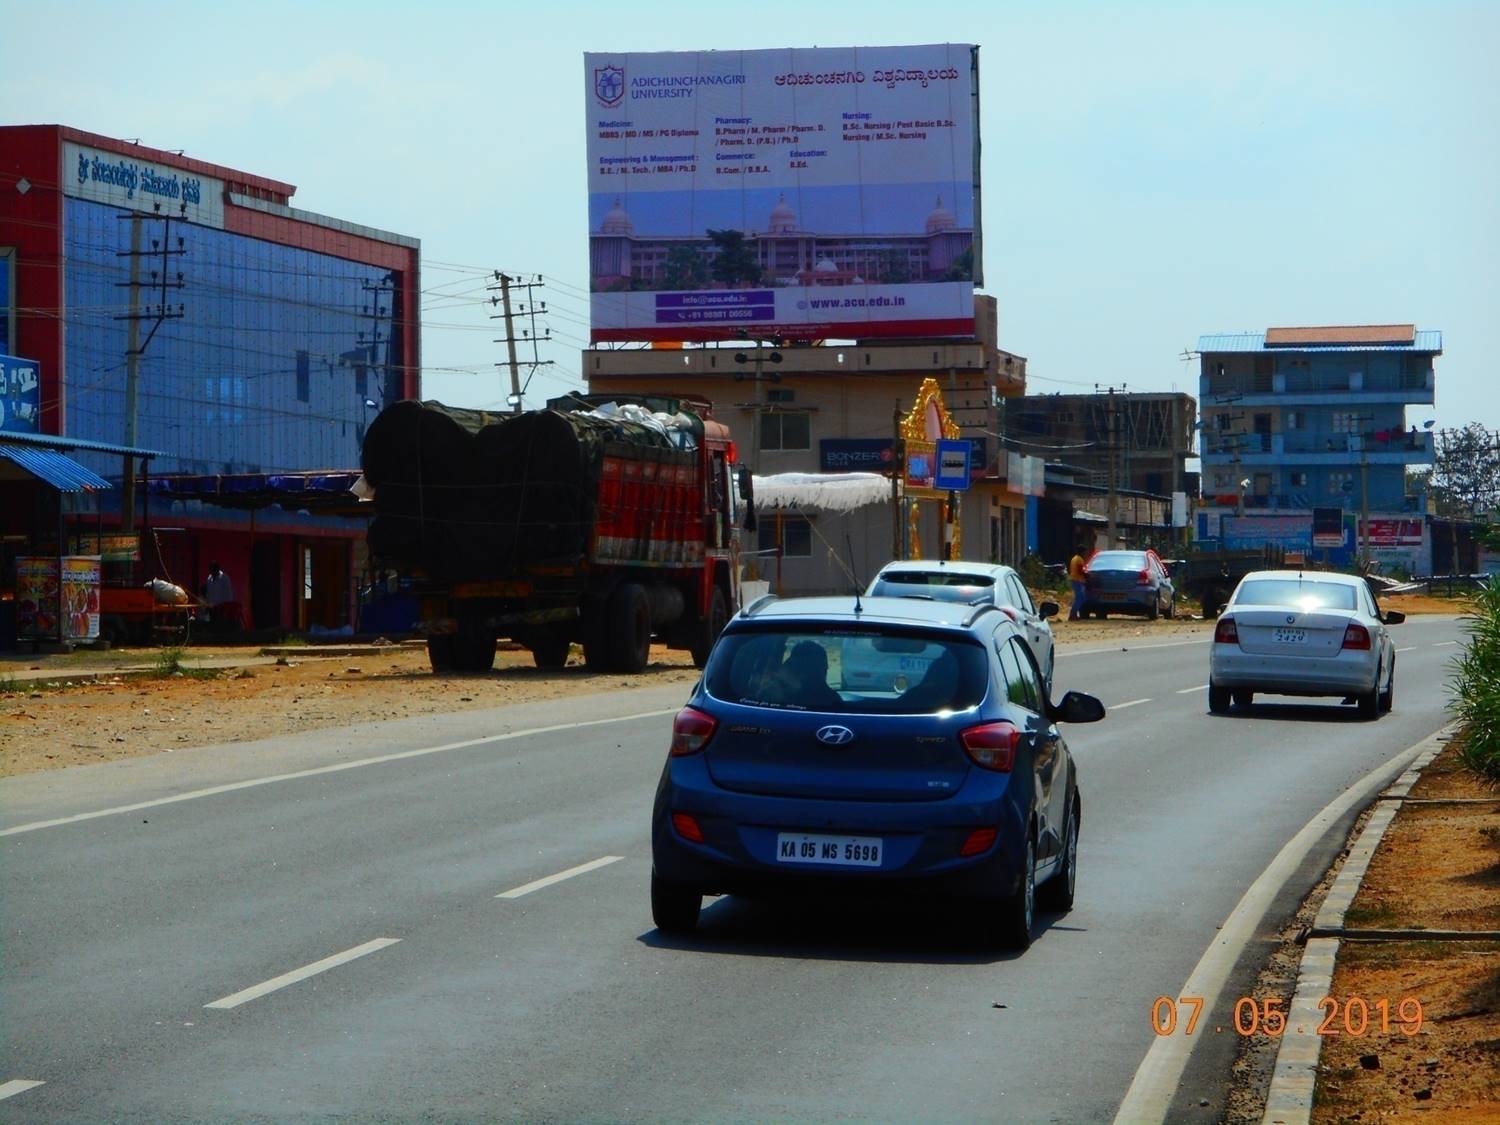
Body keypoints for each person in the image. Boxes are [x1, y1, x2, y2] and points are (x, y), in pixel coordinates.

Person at [1067, 545, 1089, 621]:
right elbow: (1080, 571)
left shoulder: (1074, 558)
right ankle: (1072, 615)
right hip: (1078, 581)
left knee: (1079, 598)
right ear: (1081, 551)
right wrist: (1088, 575)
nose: (1085, 553)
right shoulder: (1079, 560)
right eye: (1084, 551)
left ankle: (1074, 614)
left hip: (1075, 580)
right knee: (1079, 599)